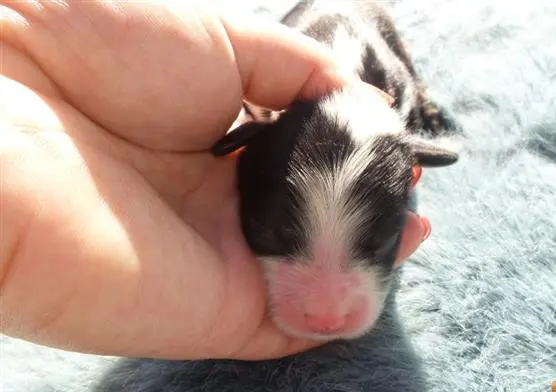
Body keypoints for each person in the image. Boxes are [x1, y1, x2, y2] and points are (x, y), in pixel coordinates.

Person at [0, 1, 430, 361]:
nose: (329, 311)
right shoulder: (267, 103)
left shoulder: (389, 90)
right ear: (241, 147)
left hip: (368, 34)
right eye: (276, 236)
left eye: (375, 243)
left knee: (405, 90)